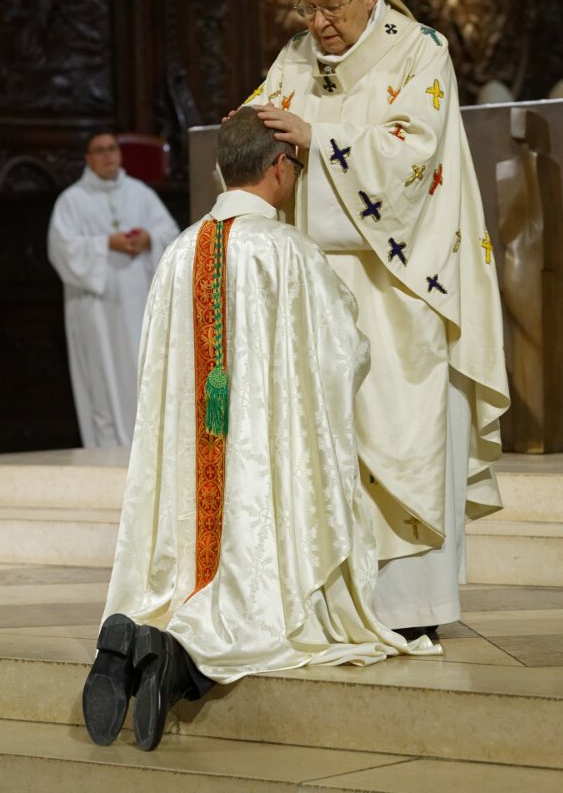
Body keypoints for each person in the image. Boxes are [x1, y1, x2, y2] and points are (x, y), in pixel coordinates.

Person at [81, 109, 425, 753]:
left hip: (193, 458)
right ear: (279, 168)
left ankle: (140, 634)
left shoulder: (180, 251)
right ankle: (183, 658)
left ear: (221, 170)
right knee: (260, 600)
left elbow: (152, 365)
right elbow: (342, 354)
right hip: (258, 465)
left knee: (188, 564)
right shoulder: (288, 252)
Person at [250, 0, 511, 639]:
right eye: (307, 9)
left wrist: (314, 135)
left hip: (404, 287)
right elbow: (258, 127)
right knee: (329, 447)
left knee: (402, 439)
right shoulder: (296, 55)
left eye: (331, 7)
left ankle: (411, 612)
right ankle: (331, 607)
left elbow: (408, 159)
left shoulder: (418, 49)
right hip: (318, 293)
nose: (319, 25)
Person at [47, 131, 179, 447]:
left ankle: (146, 444)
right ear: (88, 158)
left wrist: (149, 238)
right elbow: (61, 248)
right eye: (100, 150)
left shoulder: (140, 193)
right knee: (102, 375)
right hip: (96, 305)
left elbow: (171, 232)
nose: (108, 156)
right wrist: (106, 242)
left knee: (139, 369)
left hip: (137, 300)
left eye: (112, 149)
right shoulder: (72, 200)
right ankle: (107, 447)